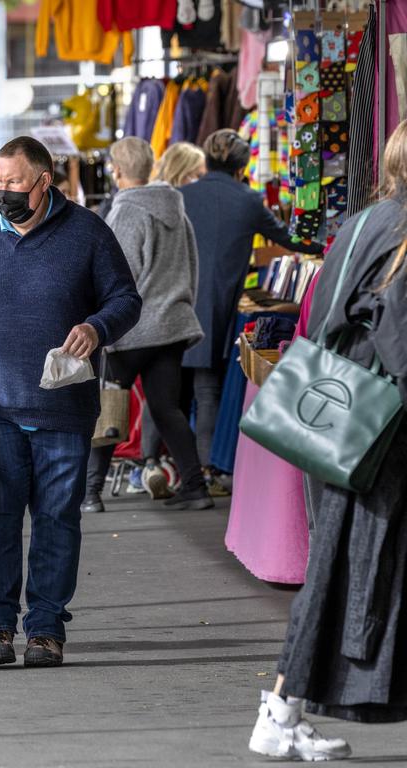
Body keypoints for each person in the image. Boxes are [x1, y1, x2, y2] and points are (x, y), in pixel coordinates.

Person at [0, 136, 141, 668]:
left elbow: (126, 299)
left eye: (14, 183)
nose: (2, 192)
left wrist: (97, 327)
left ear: (45, 181)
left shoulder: (88, 232)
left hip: (63, 408)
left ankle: (46, 628)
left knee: (56, 519)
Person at [247, 121, 407, 762]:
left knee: (335, 568)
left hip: (343, 417)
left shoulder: (366, 222)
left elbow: (326, 316)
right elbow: (399, 336)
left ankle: (281, 710)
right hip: (381, 429)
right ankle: (279, 711)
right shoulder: (399, 234)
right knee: (349, 569)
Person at [181, 129, 323, 492]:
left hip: (180, 302)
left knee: (178, 391)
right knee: (211, 388)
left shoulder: (182, 196)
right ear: (243, 166)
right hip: (223, 304)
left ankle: (172, 466)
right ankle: (210, 469)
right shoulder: (247, 200)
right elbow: (288, 239)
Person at [81, 138, 209, 514]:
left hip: (133, 328)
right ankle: (196, 486)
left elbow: (117, 274)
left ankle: (91, 493)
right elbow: (192, 266)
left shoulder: (126, 212)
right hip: (171, 323)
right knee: (167, 408)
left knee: (109, 405)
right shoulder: (176, 209)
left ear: (116, 171)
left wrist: (99, 316)